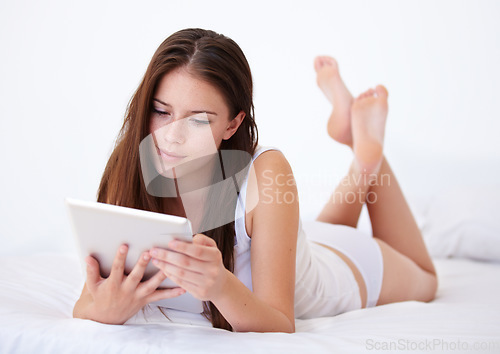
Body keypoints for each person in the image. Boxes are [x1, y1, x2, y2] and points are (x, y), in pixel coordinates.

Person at [72, 28, 438, 333]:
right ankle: (356, 141)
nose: (172, 136)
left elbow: (281, 323)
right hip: (292, 245)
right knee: (313, 238)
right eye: (161, 111)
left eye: (198, 120)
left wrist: (220, 286)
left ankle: (367, 157)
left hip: (343, 268)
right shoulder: (131, 163)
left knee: (427, 279)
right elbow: (88, 300)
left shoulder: (266, 171)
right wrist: (105, 308)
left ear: (232, 124)